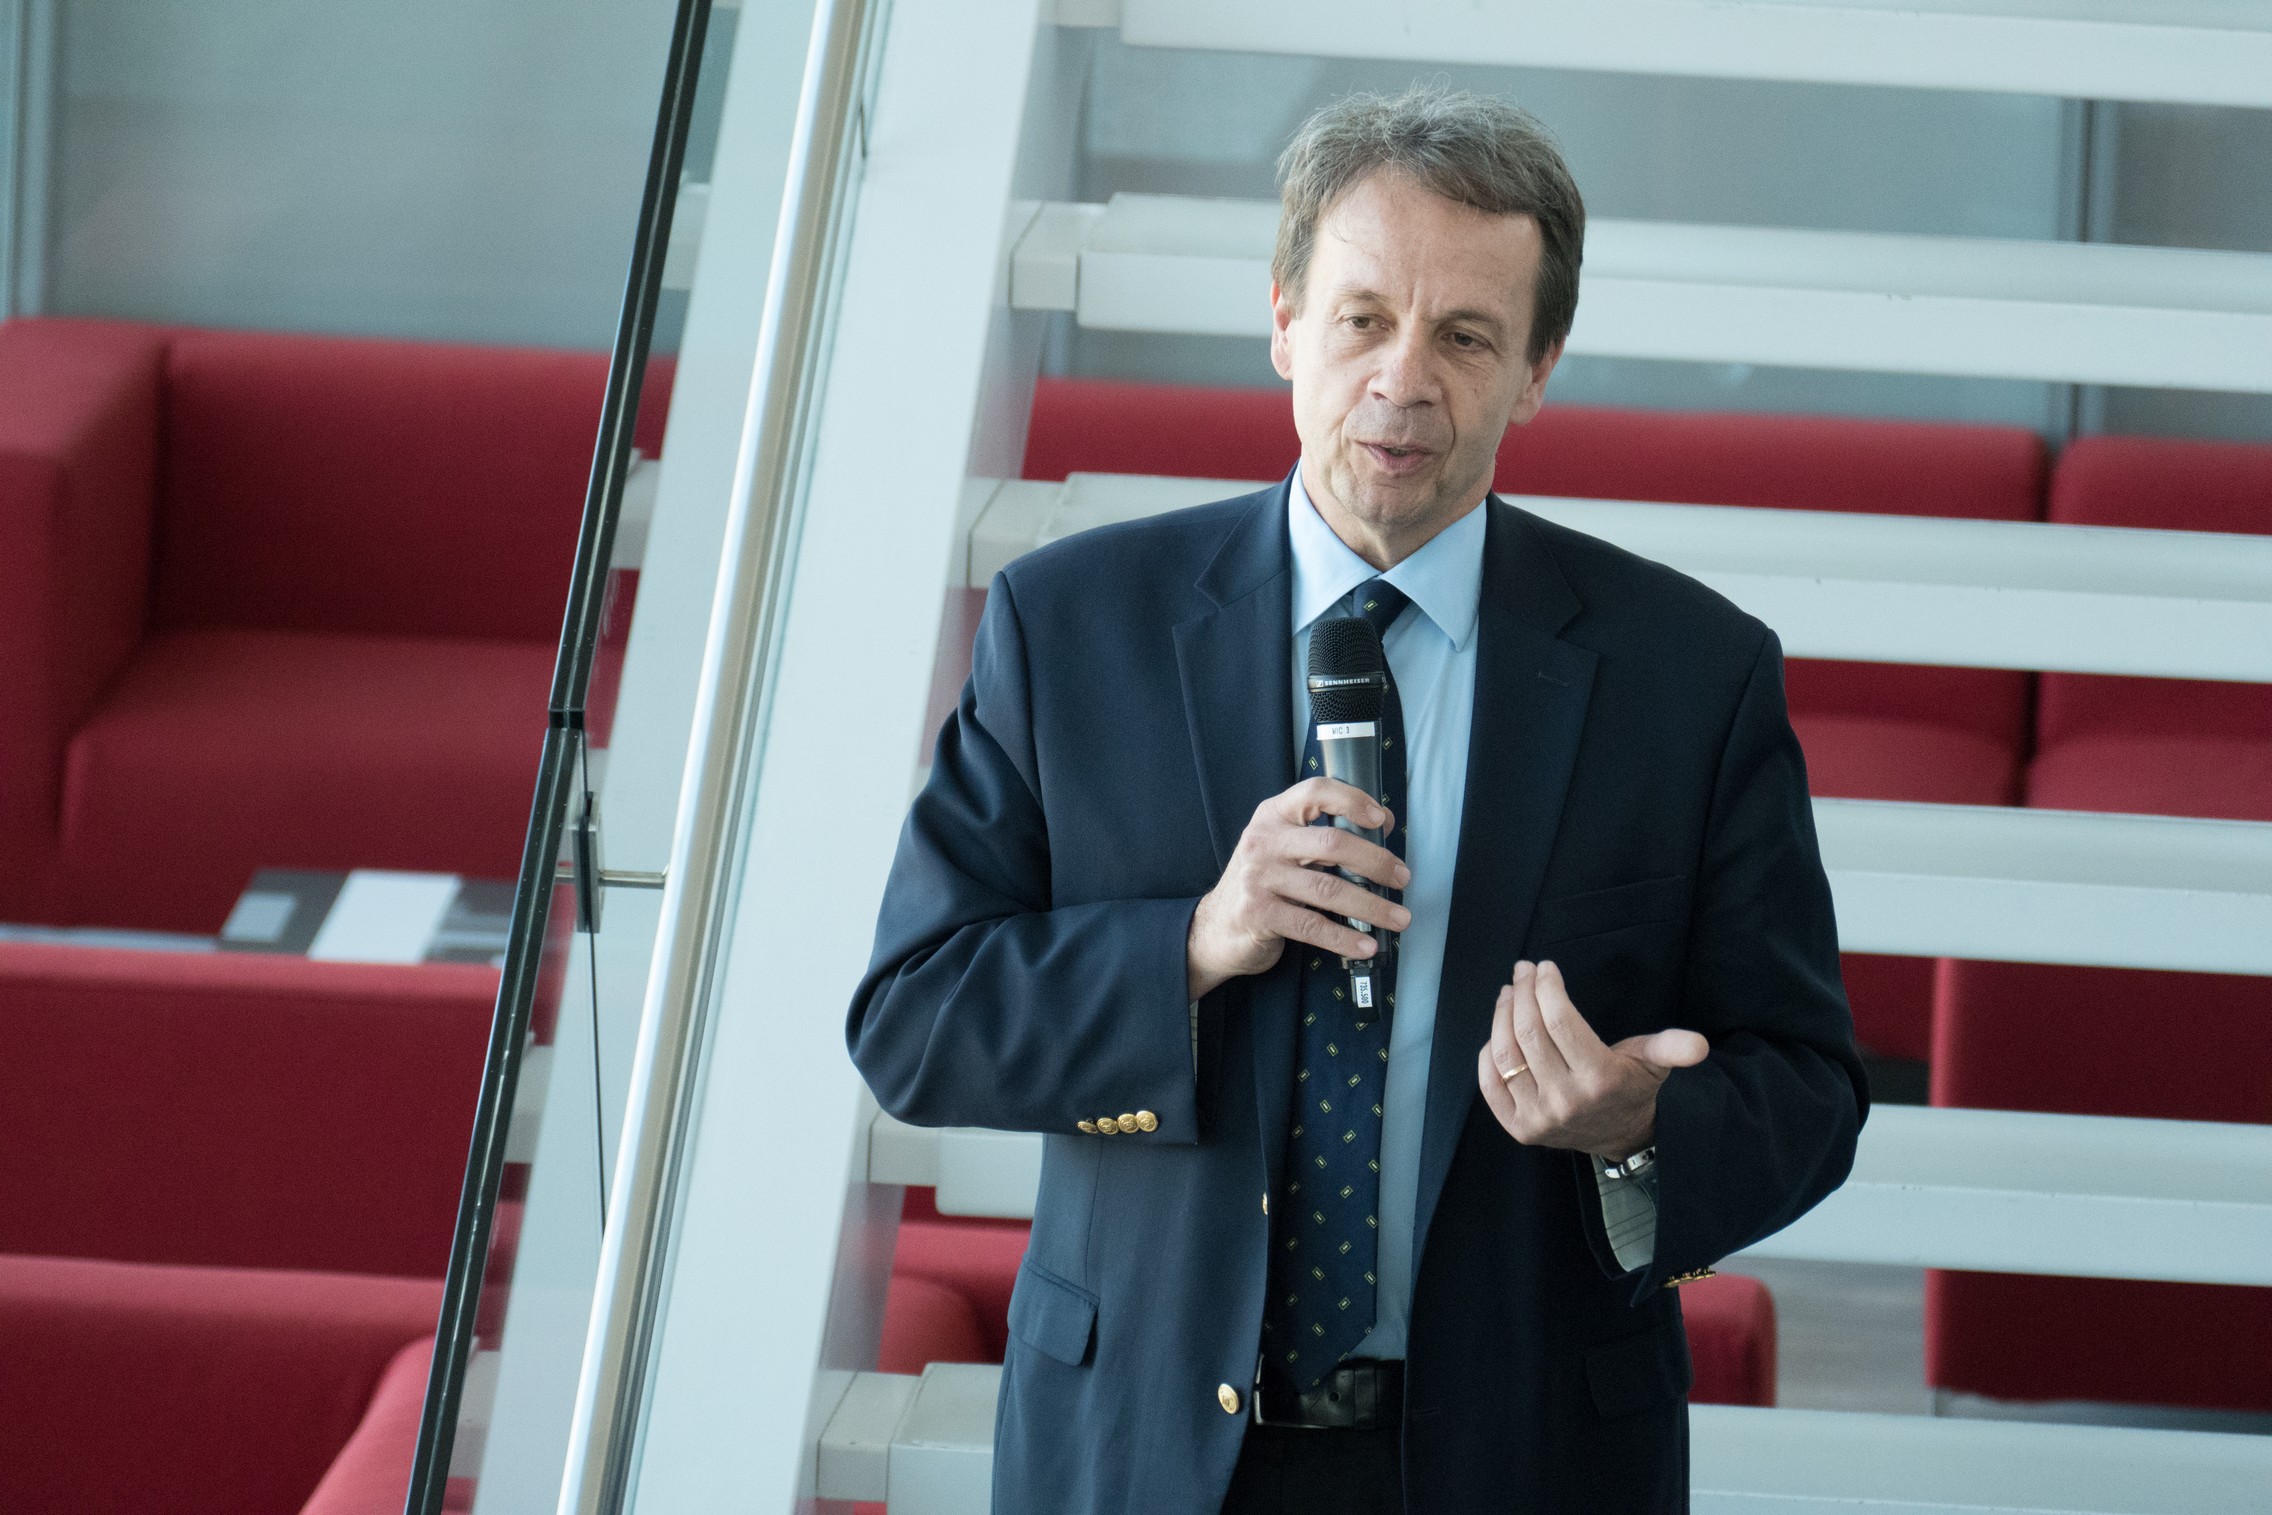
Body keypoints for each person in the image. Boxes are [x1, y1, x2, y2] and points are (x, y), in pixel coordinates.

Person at [848, 85, 1865, 1514]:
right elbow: (913, 1021)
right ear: (1281, 320)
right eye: (1361, 317)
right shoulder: (1071, 629)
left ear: (1538, 366)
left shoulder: (1689, 679)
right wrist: (1192, 944)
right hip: (1142, 1447)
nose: (1405, 380)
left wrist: (1635, 1122)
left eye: (1466, 336)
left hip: (1526, 1461)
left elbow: (1811, 1097)